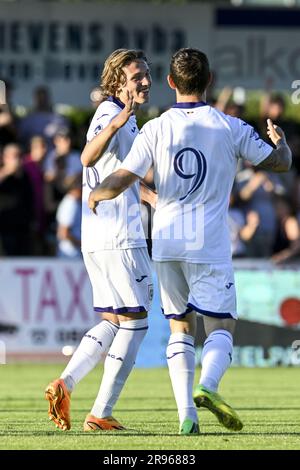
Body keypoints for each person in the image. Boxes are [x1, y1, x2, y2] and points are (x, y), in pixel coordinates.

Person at [87, 48, 292, 435]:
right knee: (221, 326)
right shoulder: (229, 126)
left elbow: (124, 176)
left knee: (179, 327)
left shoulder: (155, 128)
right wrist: (281, 144)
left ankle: (188, 417)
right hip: (208, 242)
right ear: (209, 80)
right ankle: (208, 386)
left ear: (170, 83)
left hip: (166, 240)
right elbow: (278, 163)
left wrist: (99, 193)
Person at [45, 49, 155, 431]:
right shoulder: (111, 115)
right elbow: (88, 158)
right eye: (137, 75)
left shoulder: (117, 116)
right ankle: (101, 412)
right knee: (137, 320)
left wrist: (151, 197)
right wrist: (115, 123)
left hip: (98, 236)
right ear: (116, 82)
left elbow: (118, 174)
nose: (145, 81)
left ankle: (65, 382)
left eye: (147, 74)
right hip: (120, 236)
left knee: (112, 319)